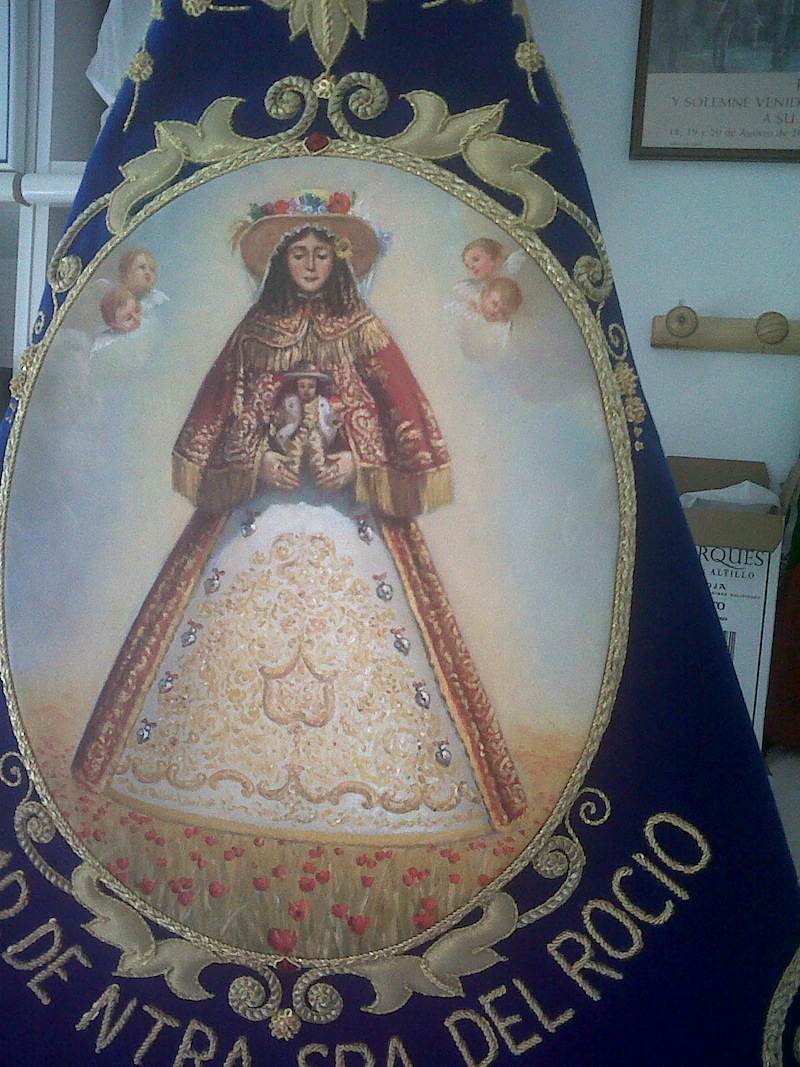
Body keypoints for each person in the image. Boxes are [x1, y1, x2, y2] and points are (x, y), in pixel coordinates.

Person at [72, 194, 528, 839]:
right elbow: (219, 411)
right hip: (260, 509)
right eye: (299, 254)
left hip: (352, 513)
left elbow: (401, 411)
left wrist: (359, 467)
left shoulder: (363, 329)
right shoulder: (254, 333)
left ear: (338, 262)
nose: (311, 265)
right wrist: (255, 462)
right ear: (280, 264)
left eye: (321, 254)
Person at [272, 364, 344, 480]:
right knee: (294, 450)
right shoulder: (290, 401)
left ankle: (319, 469)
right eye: (302, 386)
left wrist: (334, 419)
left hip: (315, 433)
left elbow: (329, 417)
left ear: (316, 387)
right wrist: (277, 417)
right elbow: (283, 414)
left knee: (316, 449)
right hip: (297, 433)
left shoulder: (322, 403)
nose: (306, 390)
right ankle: (292, 468)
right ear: (297, 387)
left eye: (311, 386)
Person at [118, 246, 167, 313]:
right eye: (142, 267)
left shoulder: (158, 300)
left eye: (152, 270)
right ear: (126, 275)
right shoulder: (117, 298)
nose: (148, 272)